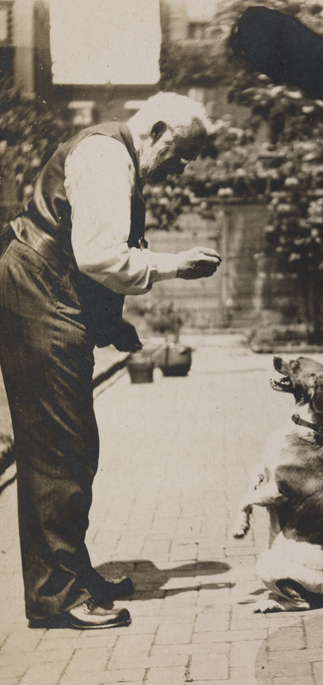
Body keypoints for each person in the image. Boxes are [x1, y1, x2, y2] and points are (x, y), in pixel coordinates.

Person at [0, 92, 222, 630]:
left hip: (48, 290)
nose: (179, 169)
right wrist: (176, 265)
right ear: (159, 130)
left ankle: (73, 574)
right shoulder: (106, 156)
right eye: (180, 155)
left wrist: (109, 324)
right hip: (38, 292)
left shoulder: (114, 155)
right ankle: (57, 597)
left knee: (73, 445)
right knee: (58, 447)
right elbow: (98, 255)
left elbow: (81, 246)